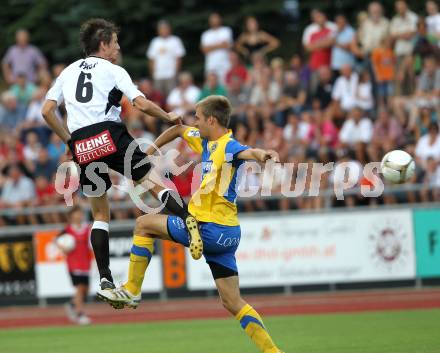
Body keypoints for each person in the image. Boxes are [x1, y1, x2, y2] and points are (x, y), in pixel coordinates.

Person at [98, 95, 284, 353]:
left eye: (197, 117)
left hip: (209, 228)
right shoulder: (205, 140)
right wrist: (149, 152)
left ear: (211, 119)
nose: (194, 122)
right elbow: (178, 129)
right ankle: (273, 351)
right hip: (228, 234)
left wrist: (262, 154)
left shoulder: (228, 146)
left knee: (143, 224)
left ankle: (132, 289)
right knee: (232, 302)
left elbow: (247, 151)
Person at [41, 18, 202, 293]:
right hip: (110, 134)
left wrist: (69, 139)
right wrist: (168, 116)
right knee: (152, 181)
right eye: (114, 42)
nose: (117, 48)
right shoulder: (113, 70)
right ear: (103, 44)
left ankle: (105, 279)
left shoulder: (67, 72)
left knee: (100, 214)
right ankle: (190, 221)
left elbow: (46, 111)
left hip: (83, 144)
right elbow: (140, 103)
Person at [57, 206, 93, 325]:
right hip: (73, 263)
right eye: (76, 214)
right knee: (79, 288)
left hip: (86, 263)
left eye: (80, 213)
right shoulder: (67, 230)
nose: (79, 216)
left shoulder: (87, 228)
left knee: (85, 290)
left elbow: (91, 244)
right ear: (71, 216)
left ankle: (72, 304)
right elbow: (56, 241)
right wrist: (64, 248)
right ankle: (80, 314)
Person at [146, 20, 186, 97]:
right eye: (161, 28)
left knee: (172, 96)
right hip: (158, 75)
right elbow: (151, 60)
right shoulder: (155, 42)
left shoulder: (175, 40)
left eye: (165, 28)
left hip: (171, 75)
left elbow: (179, 58)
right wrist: (153, 74)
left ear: (169, 29)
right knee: (158, 97)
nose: (163, 30)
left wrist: (176, 73)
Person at [200, 12, 233, 84]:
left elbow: (226, 45)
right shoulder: (206, 34)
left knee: (226, 86)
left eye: (216, 18)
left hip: (225, 65)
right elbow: (204, 49)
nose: (214, 21)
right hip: (211, 66)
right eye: (212, 19)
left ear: (220, 20)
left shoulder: (226, 30)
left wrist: (210, 46)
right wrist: (219, 45)